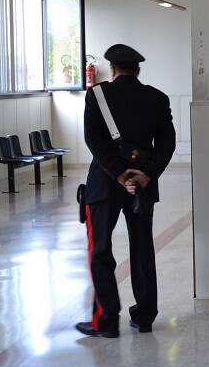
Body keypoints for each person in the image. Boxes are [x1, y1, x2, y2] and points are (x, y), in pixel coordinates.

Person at [75, 44, 176, 338]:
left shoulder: (97, 95)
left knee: (100, 250)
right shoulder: (157, 98)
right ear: (138, 69)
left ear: (113, 69)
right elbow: (166, 144)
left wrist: (119, 174)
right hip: (142, 185)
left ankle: (105, 320)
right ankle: (144, 317)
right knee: (142, 247)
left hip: (105, 183)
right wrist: (146, 174)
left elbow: (93, 139)